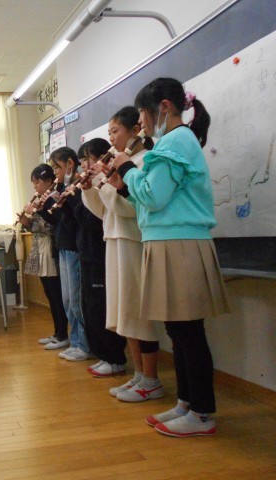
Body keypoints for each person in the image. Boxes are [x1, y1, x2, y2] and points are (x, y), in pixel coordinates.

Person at [111, 77, 229, 437]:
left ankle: (202, 413)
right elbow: (151, 200)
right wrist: (125, 187)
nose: (141, 123)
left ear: (163, 107)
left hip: (180, 242)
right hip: (168, 241)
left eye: (143, 115)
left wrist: (127, 168)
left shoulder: (176, 140)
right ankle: (186, 403)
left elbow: (154, 196)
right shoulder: (172, 141)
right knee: (178, 331)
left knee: (188, 332)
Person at [81, 106, 164, 395]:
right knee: (124, 312)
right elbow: (104, 212)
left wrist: (105, 183)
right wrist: (90, 187)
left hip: (133, 241)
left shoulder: (142, 161)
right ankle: (139, 375)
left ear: (134, 131)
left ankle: (151, 379)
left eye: (115, 131)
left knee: (137, 312)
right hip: (115, 239)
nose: (112, 138)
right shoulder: (120, 163)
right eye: (109, 132)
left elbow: (130, 208)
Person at [75, 138, 128, 377]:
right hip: (87, 252)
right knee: (89, 307)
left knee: (101, 308)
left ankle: (114, 357)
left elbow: (95, 218)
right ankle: (102, 354)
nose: (84, 165)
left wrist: (94, 185)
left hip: (101, 251)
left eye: (86, 159)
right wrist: (86, 189)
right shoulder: (92, 182)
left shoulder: (110, 177)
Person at [41, 148, 91, 361]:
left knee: (76, 300)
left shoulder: (77, 185)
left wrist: (64, 201)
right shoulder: (62, 187)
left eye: (57, 167)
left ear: (70, 164)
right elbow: (58, 220)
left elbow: (76, 219)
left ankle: (85, 345)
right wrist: (45, 207)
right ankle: (75, 341)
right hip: (63, 246)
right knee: (67, 300)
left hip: (74, 247)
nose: (55, 172)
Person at [19, 164, 69, 351]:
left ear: (49, 181)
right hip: (39, 247)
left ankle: (63, 334)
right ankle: (57, 333)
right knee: (50, 294)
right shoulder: (41, 200)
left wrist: (36, 212)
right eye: (33, 183)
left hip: (50, 247)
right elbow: (36, 227)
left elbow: (52, 226)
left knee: (56, 295)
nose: (35, 186)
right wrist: (26, 222)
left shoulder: (54, 198)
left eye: (37, 182)